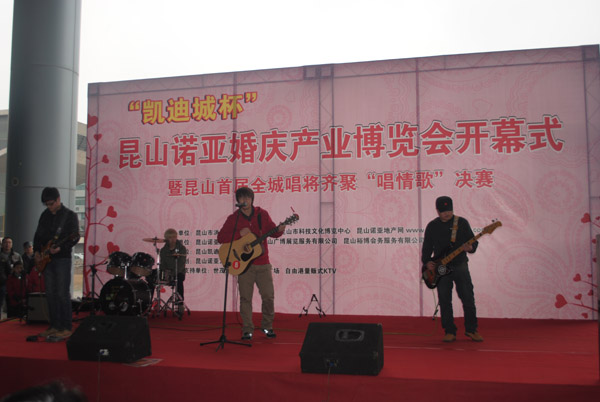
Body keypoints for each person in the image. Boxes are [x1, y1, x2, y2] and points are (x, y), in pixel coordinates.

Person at [217, 186, 286, 340]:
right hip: (243, 266)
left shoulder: (262, 214)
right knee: (245, 298)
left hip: (263, 263)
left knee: (268, 296)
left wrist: (280, 229)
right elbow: (220, 237)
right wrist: (239, 233)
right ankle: (247, 329)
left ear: (252, 199)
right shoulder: (233, 218)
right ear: (238, 201)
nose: (245, 200)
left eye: (247, 197)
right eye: (241, 198)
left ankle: (267, 326)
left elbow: (274, 233)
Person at [421, 196, 483, 343]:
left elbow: (473, 242)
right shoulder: (432, 226)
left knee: (468, 297)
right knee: (444, 299)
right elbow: (427, 247)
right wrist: (427, 261)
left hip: (460, 265)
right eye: (443, 211)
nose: (447, 213)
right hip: (441, 268)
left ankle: (471, 329)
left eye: (449, 210)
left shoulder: (461, 223)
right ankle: (449, 331)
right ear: (437, 211)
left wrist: (470, 247)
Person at [33, 187, 80, 340]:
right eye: (47, 204)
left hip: (62, 259)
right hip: (46, 259)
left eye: (51, 203)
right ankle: (54, 325)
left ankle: (66, 327)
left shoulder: (69, 215)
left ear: (58, 199)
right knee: (50, 293)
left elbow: (75, 237)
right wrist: (37, 251)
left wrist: (61, 248)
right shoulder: (45, 215)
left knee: (62, 293)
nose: (49, 207)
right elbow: (38, 235)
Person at [159, 228, 187, 313]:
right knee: (152, 276)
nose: (172, 239)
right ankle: (148, 304)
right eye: (170, 237)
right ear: (166, 239)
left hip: (179, 272)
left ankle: (180, 304)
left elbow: (181, 264)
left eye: (174, 237)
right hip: (167, 272)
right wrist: (163, 273)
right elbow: (163, 264)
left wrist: (173, 274)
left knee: (179, 279)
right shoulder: (163, 250)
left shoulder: (182, 248)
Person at [1, 237, 24, 317]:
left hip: (14, 282)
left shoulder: (16, 255)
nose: (7, 244)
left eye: (9, 242)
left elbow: (21, 267)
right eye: (5, 242)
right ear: (2, 244)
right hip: (2, 282)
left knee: (13, 303)